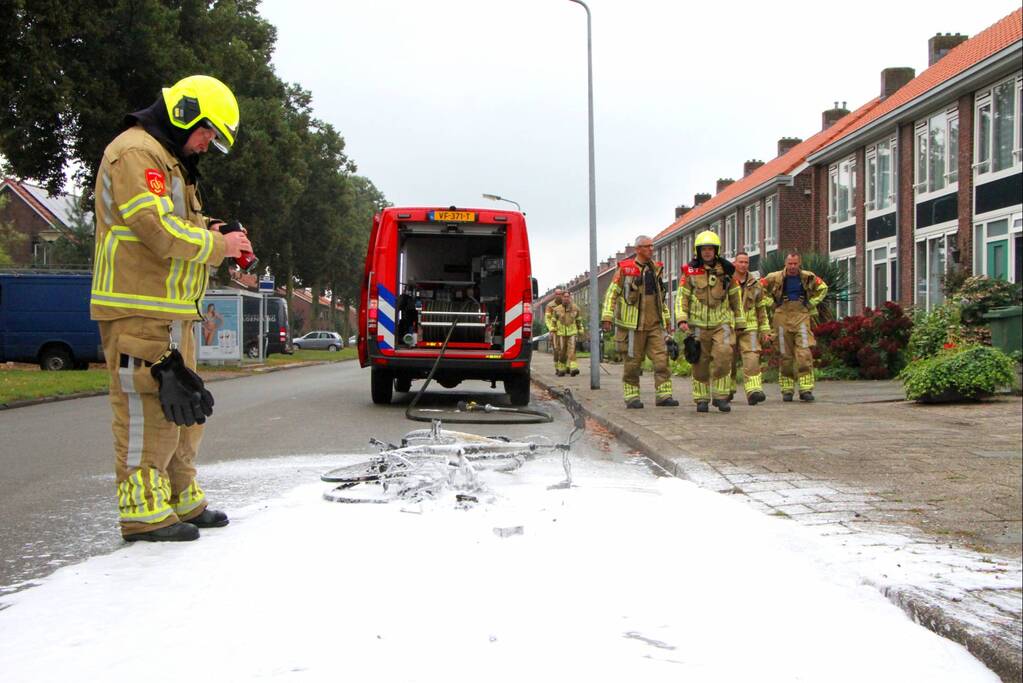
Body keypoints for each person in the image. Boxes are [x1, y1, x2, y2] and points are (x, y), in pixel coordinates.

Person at [90, 75, 252, 542]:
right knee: (147, 410)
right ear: (185, 114)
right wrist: (219, 245)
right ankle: (142, 514)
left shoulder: (169, 161)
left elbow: (181, 223)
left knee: (184, 408)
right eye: (207, 133)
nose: (206, 145)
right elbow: (156, 230)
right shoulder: (137, 153)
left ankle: (181, 497)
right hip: (136, 309)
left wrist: (219, 230)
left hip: (171, 311)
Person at [601, 235, 678, 408]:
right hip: (632, 326)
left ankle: (664, 396)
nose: (652, 249)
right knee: (632, 364)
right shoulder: (625, 269)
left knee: (662, 359)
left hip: (654, 325)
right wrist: (607, 316)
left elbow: (660, 298)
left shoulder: (656, 269)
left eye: (652, 246)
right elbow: (612, 293)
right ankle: (632, 397)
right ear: (638, 249)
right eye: (647, 246)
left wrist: (666, 321)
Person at [674, 230, 744, 413]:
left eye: (710, 249)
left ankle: (721, 398)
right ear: (698, 251)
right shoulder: (689, 272)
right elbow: (682, 297)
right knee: (700, 363)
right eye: (703, 249)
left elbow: (736, 298)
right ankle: (702, 399)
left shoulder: (727, 271)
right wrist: (681, 318)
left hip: (722, 324)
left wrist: (740, 321)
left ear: (716, 251)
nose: (707, 252)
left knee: (724, 357)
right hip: (697, 326)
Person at [761, 252, 828, 402]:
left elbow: (823, 288)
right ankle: (787, 389)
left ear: (799, 263)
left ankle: (806, 389)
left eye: (795, 264)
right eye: (789, 264)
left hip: (802, 315)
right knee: (785, 354)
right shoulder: (774, 277)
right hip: (781, 315)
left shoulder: (808, 277)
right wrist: (770, 303)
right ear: (785, 264)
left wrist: (811, 303)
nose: (792, 267)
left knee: (804, 353)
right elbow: (759, 289)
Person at [727, 252, 772, 405]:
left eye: (746, 262)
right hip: (729, 326)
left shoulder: (756, 284)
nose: (744, 265)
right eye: (740, 262)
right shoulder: (726, 281)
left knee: (752, 357)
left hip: (750, 327)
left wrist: (765, 330)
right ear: (734, 263)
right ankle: (727, 389)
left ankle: (754, 390)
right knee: (727, 359)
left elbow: (761, 308)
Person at [552, 290, 583, 376]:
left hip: (572, 332)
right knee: (562, 351)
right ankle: (562, 369)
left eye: (567, 297)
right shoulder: (557, 309)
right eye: (564, 297)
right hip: (561, 334)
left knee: (572, 350)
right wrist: (553, 328)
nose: (566, 298)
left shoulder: (576, 308)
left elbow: (579, 320)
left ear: (570, 297)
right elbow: (553, 321)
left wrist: (580, 329)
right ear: (562, 298)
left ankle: (573, 368)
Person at [544, 288, 563, 371]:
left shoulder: (565, 304)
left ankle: (563, 366)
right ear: (555, 295)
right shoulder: (550, 305)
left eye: (560, 294)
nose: (559, 296)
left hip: (564, 329)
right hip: (554, 329)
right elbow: (547, 318)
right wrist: (551, 328)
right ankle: (557, 366)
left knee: (564, 349)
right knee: (556, 349)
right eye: (557, 294)